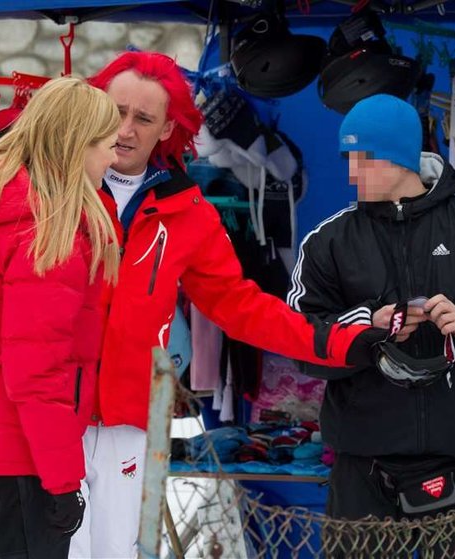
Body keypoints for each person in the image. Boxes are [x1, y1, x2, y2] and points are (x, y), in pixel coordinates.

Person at [70, 51, 383, 558]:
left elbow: (241, 306)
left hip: (128, 425)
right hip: (48, 415)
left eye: (143, 118)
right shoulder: (55, 191)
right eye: (115, 112)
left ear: (166, 126)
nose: (124, 129)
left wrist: (337, 342)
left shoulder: (188, 214)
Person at [287, 94, 455, 554]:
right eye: (347, 159)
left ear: (400, 155)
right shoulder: (329, 241)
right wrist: (366, 326)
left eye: (364, 159)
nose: (352, 173)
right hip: (363, 474)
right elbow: (297, 337)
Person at [0, 77, 121, 559]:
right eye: (108, 147)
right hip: (9, 465)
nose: (114, 159)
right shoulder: (47, 234)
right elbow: (36, 372)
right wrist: (61, 481)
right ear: (78, 147)